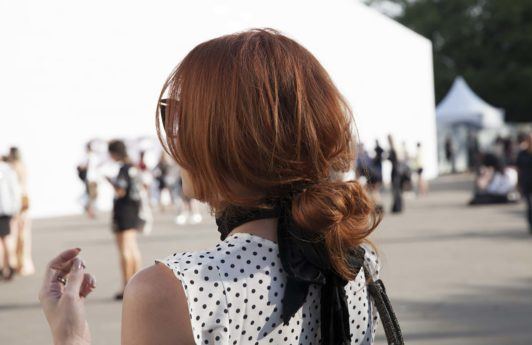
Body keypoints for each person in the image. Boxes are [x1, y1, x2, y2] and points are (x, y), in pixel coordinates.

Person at [39, 29, 402, 345]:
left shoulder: (174, 290)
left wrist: (70, 336)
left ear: (227, 137)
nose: (174, 132)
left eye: (181, 115)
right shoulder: (354, 260)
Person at [107, 140, 143, 300]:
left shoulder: (124, 169)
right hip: (135, 207)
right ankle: (138, 282)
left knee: (124, 249)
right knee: (133, 248)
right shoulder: (134, 167)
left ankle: (127, 285)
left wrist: (110, 182)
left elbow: (120, 191)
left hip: (124, 209)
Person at [8, 147, 35, 276]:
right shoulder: (23, 167)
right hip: (25, 200)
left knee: (15, 234)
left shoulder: (12, 168)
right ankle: (24, 263)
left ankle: (17, 263)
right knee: (24, 234)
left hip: (17, 202)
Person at [0, 156, 21, 280]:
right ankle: (10, 265)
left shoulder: (7, 171)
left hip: (4, 209)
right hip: (6, 209)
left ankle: (5, 266)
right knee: (7, 238)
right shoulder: (8, 170)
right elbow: (15, 190)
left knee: (4, 240)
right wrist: (15, 208)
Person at [77, 141, 99, 219]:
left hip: (93, 178)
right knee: (91, 196)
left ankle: (90, 210)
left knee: (93, 196)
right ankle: (90, 211)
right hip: (90, 178)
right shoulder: (88, 156)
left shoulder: (92, 156)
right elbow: (81, 166)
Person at [516, 133, 532, 233]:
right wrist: (518, 183)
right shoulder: (522, 153)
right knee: (529, 205)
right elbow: (519, 169)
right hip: (526, 182)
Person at [388, 135, 403, 213]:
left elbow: (397, 159)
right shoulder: (394, 149)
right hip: (395, 170)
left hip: (395, 171)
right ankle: (397, 206)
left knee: (396, 189)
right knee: (396, 190)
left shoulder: (393, 149)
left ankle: (397, 207)